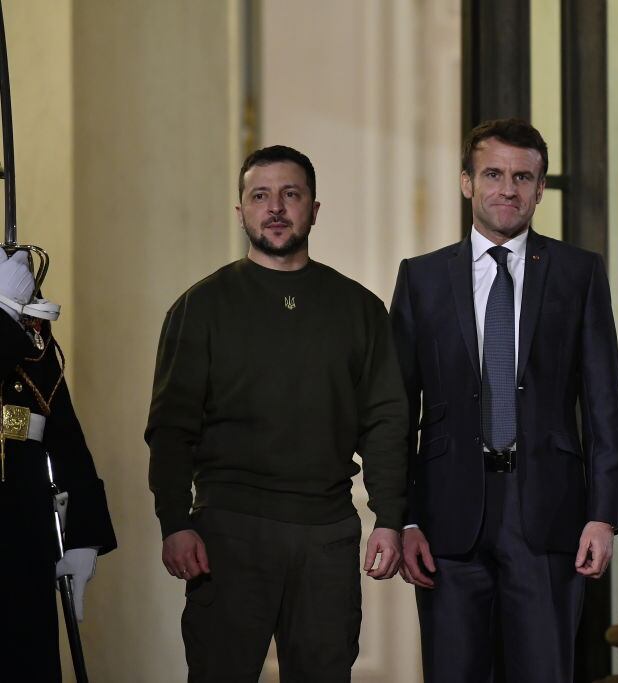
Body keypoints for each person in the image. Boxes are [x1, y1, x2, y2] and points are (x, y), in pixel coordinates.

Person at [146, 145, 408, 682]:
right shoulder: (201, 307)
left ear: (314, 209)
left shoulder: (358, 308)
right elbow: (171, 429)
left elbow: (386, 419)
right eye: (259, 195)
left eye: (291, 195)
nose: (275, 208)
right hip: (228, 531)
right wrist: (175, 521)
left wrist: (389, 516)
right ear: (240, 210)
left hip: (327, 533)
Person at [390, 118, 618, 682]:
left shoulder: (578, 272)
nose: (508, 189)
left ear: (541, 189)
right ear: (467, 182)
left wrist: (604, 515)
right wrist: (405, 517)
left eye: (523, 177)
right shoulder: (421, 279)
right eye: (493, 173)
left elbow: (604, 406)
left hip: (548, 510)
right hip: (447, 516)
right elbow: (398, 410)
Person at [0, 248, 116, 681]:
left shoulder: (9, 282)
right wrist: (4, 312)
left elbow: (58, 423)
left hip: (22, 525)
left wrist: (84, 534)